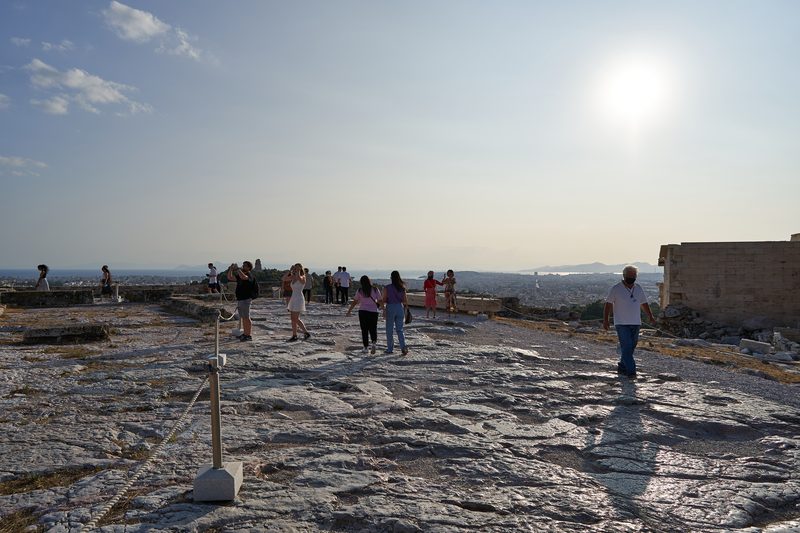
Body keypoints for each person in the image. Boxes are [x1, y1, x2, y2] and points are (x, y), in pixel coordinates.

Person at [603, 265, 657, 377]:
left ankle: (622, 366)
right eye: (630, 276)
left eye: (634, 276)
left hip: (636, 322)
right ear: (624, 276)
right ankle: (631, 371)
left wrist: (650, 316)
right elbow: (608, 304)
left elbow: (644, 303)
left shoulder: (638, 288)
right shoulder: (616, 288)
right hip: (621, 323)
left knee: (631, 347)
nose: (632, 278)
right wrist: (606, 320)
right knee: (627, 346)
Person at [346, 275, 383, 354]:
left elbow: (355, 301)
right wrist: (384, 310)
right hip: (373, 311)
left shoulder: (360, 290)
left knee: (364, 330)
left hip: (363, 311)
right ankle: (373, 343)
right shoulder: (375, 289)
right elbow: (380, 300)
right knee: (373, 328)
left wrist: (349, 311)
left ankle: (365, 347)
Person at [227, 260, 257, 342]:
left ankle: (248, 335)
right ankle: (245, 333)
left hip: (246, 298)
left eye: (245, 266)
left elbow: (244, 277)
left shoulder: (250, 275)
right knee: (243, 317)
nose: (243, 267)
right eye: (243, 265)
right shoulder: (240, 275)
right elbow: (230, 277)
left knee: (247, 317)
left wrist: (237, 269)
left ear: (249, 268)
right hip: (240, 298)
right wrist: (231, 269)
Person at [381, 270, 409, 355]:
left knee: (389, 330)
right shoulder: (402, 288)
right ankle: (403, 347)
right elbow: (405, 301)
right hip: (399, 308)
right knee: (400, 329)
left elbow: (384, 299)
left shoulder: (387, 287)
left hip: (391, 307)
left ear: (391, 278)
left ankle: (390, 349)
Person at [283, 263, 311, 342]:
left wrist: (298, 272)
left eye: (297, 268)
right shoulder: (292, 277)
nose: (296, 270)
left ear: (300, 269)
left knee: (295, 318)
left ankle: (306, 332)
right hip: (293, 297)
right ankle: (294, 335)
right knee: (292, 318)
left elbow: (301, 280)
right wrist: (290, 270)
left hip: (299, 298)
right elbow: (284, 279)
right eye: (295, 268)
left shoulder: (303, 277)